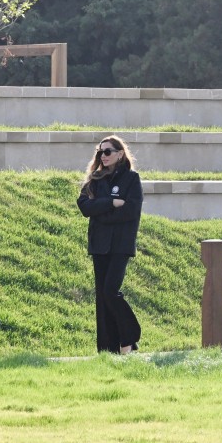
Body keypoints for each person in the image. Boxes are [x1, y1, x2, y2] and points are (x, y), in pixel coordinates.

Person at [76, 135, 143, 355]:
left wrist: (101, 212)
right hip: (99, 245)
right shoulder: (95, 179)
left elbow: (131, 211)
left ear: (120, 153)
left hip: (120, 245)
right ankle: (108, 349)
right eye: (100, 152)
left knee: (110, 291)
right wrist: (111, 203)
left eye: (107, 152)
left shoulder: (132, 179)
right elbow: (85, 206)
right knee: (102, 298)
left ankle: (130, 334)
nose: (102, 156)